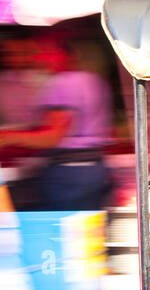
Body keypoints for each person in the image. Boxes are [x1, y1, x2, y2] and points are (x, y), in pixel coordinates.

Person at [0, 32, 114, 211]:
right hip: (95, 168)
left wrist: (7, 137)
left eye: (48, 51)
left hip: (69, 174)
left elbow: (53, 137)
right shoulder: (93, 79)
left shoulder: (62, 83)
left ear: (67, 55)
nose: (40, 57)